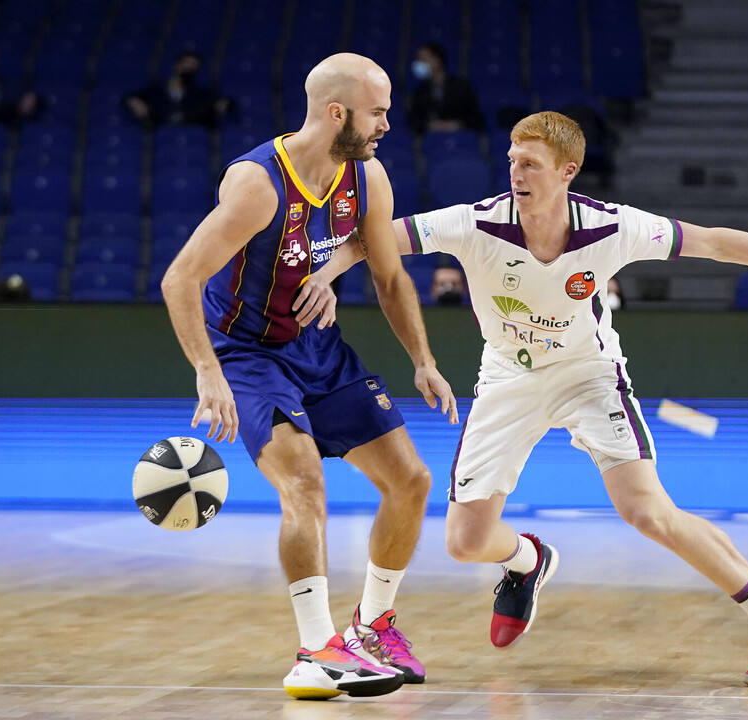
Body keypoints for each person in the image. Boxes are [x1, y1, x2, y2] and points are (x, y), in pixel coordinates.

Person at [308, 111, 748, 687]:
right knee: (464, 542)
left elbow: (711, 242)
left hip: (589, 374)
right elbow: (374, 238)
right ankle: (526, 562)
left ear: (568, 171)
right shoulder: (474, 223)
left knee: (648, 512)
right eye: (512, 160)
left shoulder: (612, 226)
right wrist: (324, 275)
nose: (516, 172)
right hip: (509, 377)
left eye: (530, 163)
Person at [160, 53, 458, 700]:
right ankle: (315, 651)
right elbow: (179, 277)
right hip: (246, 353)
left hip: (317, 347)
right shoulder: (258, 184)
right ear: (336, 112)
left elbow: (388, 276)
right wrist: (207, 372)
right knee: (305, 483)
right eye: (376, 111)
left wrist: (424, 361)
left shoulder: (367, 177)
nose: (386, 124)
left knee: (410, 481)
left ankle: (371, 627)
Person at [124, 51, 231, 128]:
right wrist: (134, 102)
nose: (190, 68)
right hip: (158, 131)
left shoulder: (201, 93)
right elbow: (130, 97)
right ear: (176, 65)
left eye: (194, 65)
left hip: (191, 132)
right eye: (187, 64)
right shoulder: (157, 90)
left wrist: (223, 104)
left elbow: (222, 102)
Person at [406, 43, 484, 135]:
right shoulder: (420, 91)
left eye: (424, 59)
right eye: (418, 59)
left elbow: (476, 118)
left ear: (437, 60)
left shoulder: (462, 87)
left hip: (461, 139)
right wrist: (430, 125)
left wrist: (455, 124)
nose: (419, 63)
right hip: (431, 142)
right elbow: (413, 121)